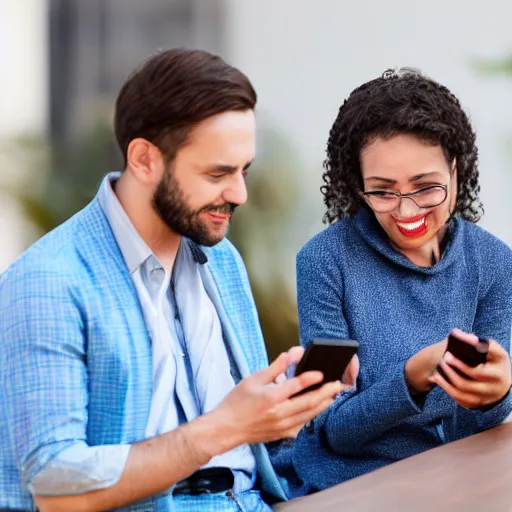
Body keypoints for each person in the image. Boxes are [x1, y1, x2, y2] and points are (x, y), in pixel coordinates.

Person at [0, 49, 351, 512]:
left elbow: (241, 435)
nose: (240, 194)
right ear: (145, 159)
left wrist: (285, 399)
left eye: (244, 170)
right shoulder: (48, 282)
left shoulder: (220, 258)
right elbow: (54, 484)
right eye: (217, 173)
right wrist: (230, 426)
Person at [291, 68, 512, 492]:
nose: (406, 213)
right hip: (350, 485)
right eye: (383, 191)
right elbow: (333, 430)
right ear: (356, 183)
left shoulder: (493, 263)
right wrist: (410, 378)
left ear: (456, 169)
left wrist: (497, 395)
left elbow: (477, 429)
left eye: (427, 187)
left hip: (457, 481)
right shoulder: (324, 261)